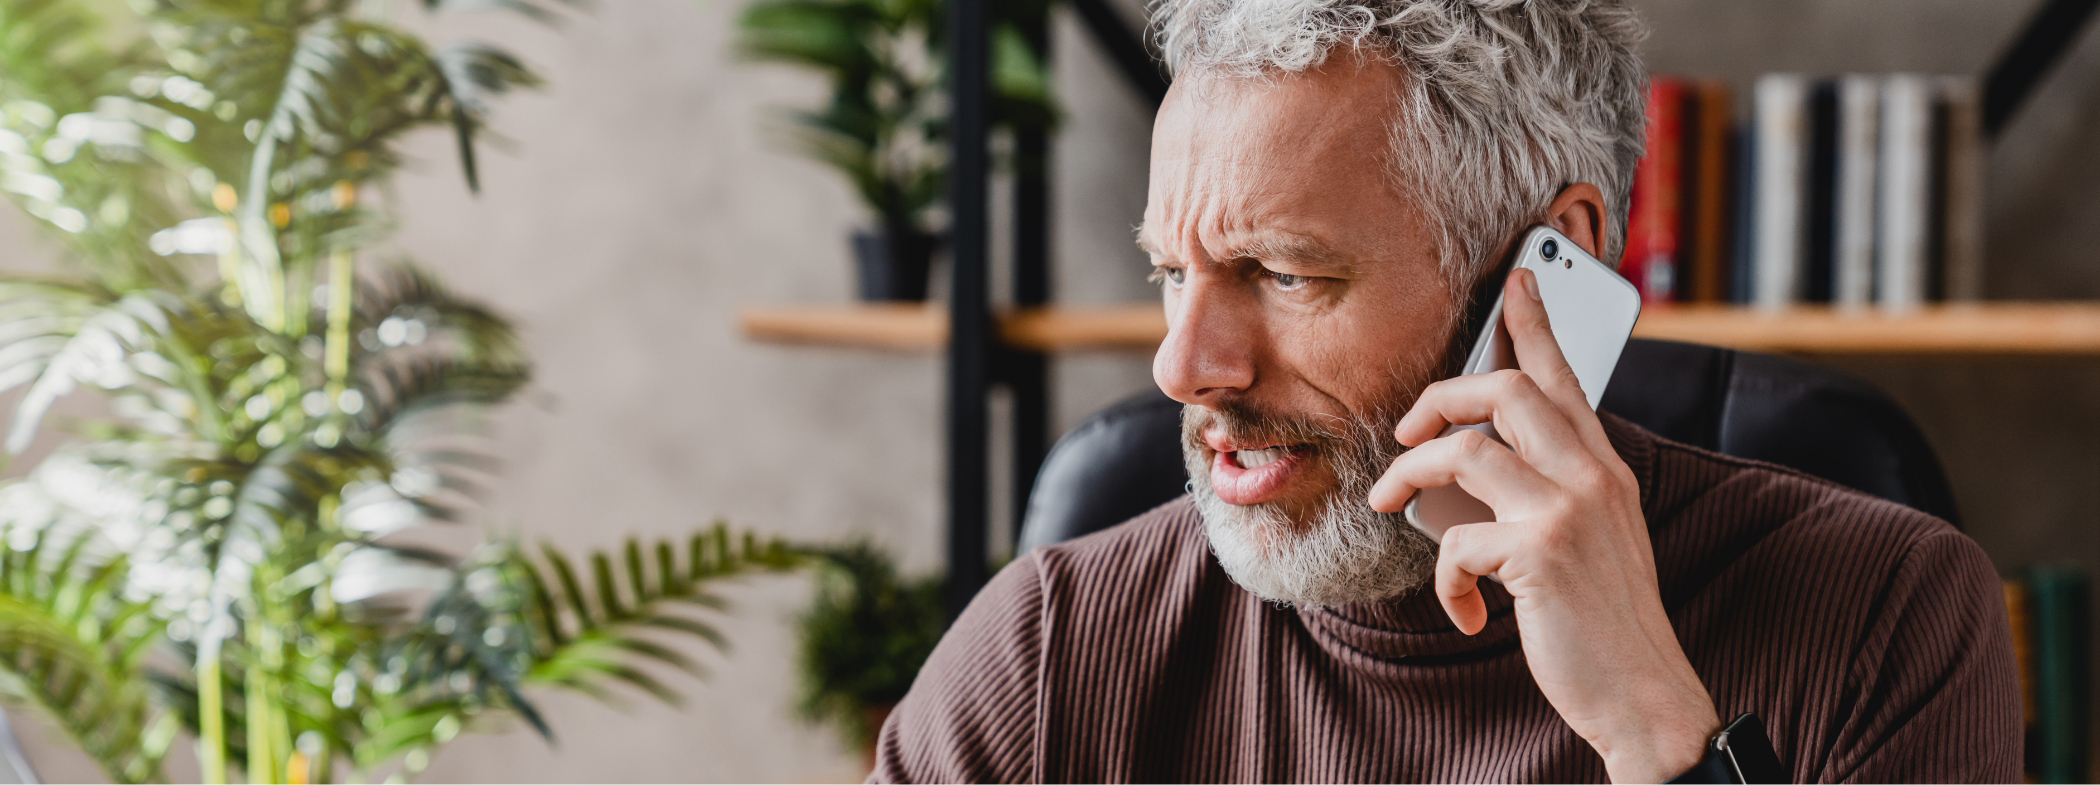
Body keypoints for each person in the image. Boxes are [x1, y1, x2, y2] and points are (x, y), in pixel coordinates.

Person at [872, 0, 2020, 781]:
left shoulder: (1884, 616)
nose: (1184, 364)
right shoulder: (1048, 652)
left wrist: (1659, 732)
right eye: (1174, 274)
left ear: (1547, 259)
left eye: (1283, 271)